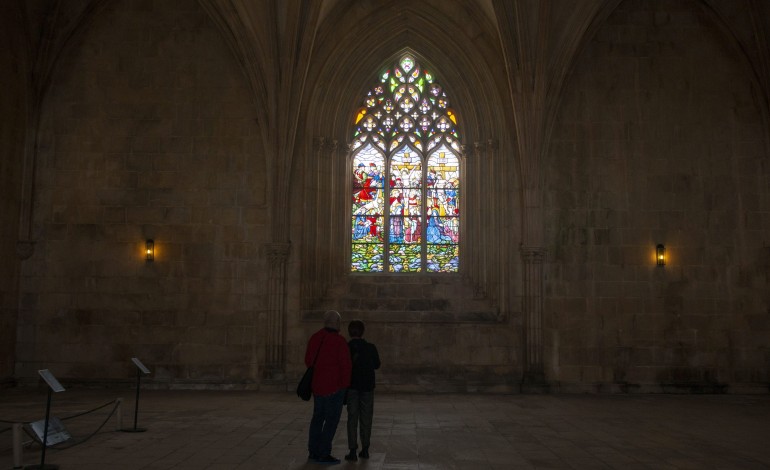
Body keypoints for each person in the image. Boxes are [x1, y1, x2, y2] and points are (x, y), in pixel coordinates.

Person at [305, 310, 352, 465]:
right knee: (331, 420)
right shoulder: (339, 341)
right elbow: (346, 366)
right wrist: (345, 386)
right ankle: (324, 453)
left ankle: (313, 452)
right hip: (335, 387)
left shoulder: (315, 338)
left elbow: (308, 361)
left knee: (317, 418)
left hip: (318, 386)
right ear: (337, 324)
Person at [344, 319, 381, 462]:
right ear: (363, 332)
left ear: (349, 332)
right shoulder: (370, 347)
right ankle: (365, 449)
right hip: (367, 387)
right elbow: (377, 365)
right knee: (366, 418)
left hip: (352, 387)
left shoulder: (346, 347)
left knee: (352, 417)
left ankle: (352, 450)